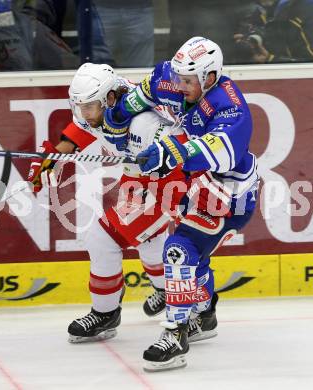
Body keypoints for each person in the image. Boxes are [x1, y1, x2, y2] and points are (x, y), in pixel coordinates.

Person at [103, 36, 259, 371]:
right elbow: (142, 94)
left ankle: (176, 334)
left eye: (187, 81)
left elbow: (219, 149)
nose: (178, 85)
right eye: (178, 78)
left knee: (178, 249)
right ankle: (205, 313)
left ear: (209, 78)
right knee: (195, 259)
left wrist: (169, 151)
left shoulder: (230, 105)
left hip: (228, 194)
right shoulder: (175, 78)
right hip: (194, 186)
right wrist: (116, 120)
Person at [27, 63, 196, 343]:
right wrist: (53, 158)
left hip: (166, 185)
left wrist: (144, 161)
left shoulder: (144, 120)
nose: (84, 113)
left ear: (110, 98)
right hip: (140, 181)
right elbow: (82, 127)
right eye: (80, 106)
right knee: (150, 242)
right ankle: (171, 293)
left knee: (102, 239)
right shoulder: (103, 100)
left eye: (89, 107)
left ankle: (106, 313)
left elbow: (177, 152)